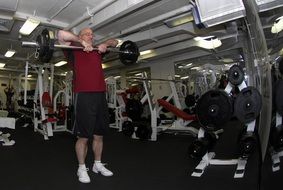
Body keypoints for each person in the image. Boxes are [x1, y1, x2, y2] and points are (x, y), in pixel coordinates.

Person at [57, 28, 118, 183]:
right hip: (83, 95)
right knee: (83, 136)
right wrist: (81, 42)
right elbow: (60, 34)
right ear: (80, 36)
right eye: (87, 34)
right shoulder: (73, 49)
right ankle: (82, 168)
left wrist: (105, 44)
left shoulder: (98, 51)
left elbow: (116, 42)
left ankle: (97, 164)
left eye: (92, 34)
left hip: (100, 96)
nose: (91, 36)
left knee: (99, 134)